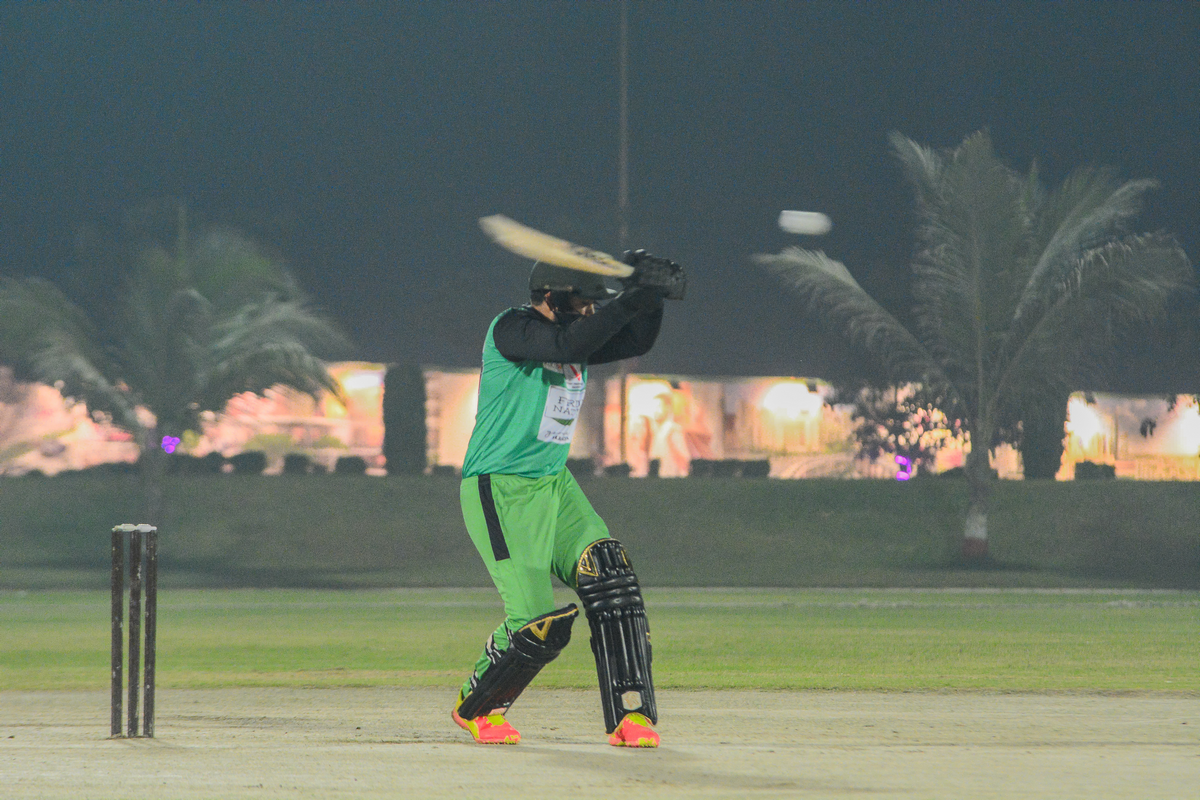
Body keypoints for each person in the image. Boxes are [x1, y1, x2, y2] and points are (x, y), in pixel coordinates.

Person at [452, 251, 684, 748]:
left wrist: (652, 298)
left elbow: (636, 340)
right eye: (584, 302)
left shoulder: (575, 334)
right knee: (536, 624)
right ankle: (479, 704)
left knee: (611, 576)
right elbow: (568, 343)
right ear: (553, 296)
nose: (590, 312)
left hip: (554, 483)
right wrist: (631, 299)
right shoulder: (511, 328)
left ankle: (631, 716)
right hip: (502, 489)